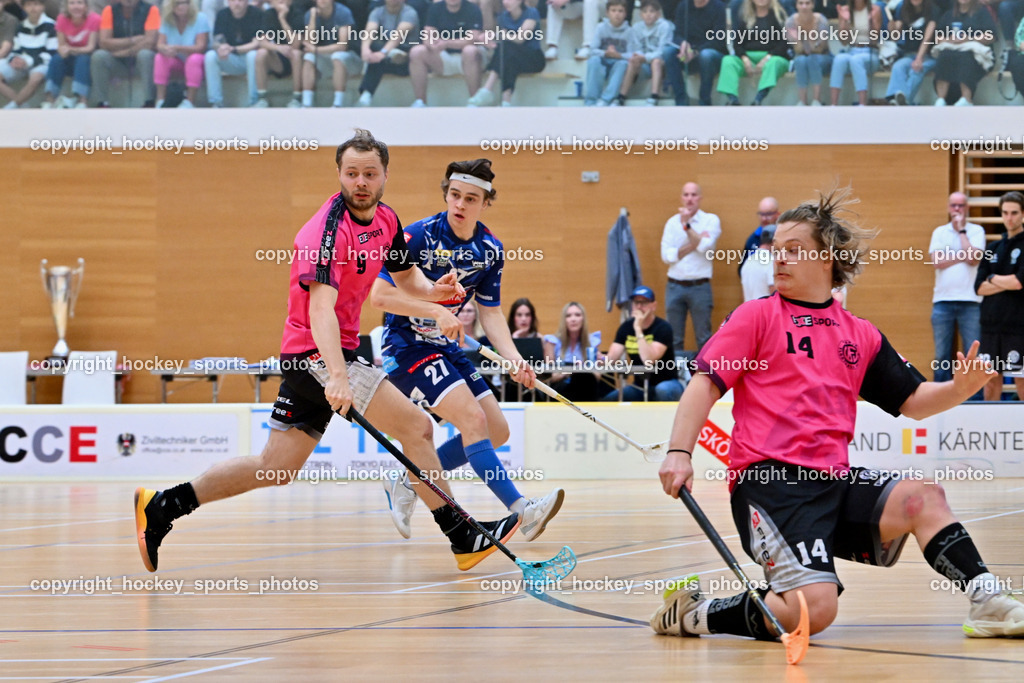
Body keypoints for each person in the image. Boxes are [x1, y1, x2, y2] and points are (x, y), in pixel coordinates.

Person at [134, 131, 520, 575]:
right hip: (317, 353)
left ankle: (163, 506)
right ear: (339, 174)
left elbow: (405, 277)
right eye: (351, 173)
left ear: (384, 177)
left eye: (369, 174)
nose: (360, 182)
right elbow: (321, 309)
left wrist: (435, 292)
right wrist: (337, 374)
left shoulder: (387, 221)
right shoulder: (323, 232)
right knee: (417, 428)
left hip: (326, 357)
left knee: (274, 467)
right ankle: (461, 534)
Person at [651, 188, 1024, 643]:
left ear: (826, 258)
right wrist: (678, 452)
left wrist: (958, 389)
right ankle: (695, 613)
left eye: (794, 250)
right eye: (776, 250)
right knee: (815, 611)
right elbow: (703, 385)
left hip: (835, 480)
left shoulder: (859, 334)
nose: (779, 260)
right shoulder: (756, 317)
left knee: (923, 497)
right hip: (770, 487)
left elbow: (914, 401)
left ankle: (988, 600)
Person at [370, 158, 565, 543]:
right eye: (455, 195)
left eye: (471, 198)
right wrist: (431, 310)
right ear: (447, 194)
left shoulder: (490, 249)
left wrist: (514, 359)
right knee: (474, 422)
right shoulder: (418, 235)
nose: (460, 204)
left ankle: (409, 480)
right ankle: (522, 510)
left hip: (446, 345)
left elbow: (491, 312)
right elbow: (379, 296)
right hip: (406, 346)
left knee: (497, 430)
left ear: (485, 202)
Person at [929, 192, 985, 383]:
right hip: (942, 301)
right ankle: (939, 396)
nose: (957, 209)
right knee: (941, 355)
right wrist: (963, 255)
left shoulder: (976, 231)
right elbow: (936, 261)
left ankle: (974, 400)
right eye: (954, 205)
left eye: (961, 205)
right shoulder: (940, 232)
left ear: (967, 208)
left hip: (971, 301)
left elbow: (973, 258)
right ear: (948, 207)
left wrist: (962, 232)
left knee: (973, 354)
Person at [660, 181, 721, 353]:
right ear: (681, 198)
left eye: (693, 195)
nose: (689, 199)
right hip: (674, 286)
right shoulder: (671, 223)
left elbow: (706, 249)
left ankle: (705, 378)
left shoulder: (710, 220)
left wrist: (687, 227)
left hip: (700, 286)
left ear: (700, 198)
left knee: (704, 338)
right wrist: (696, 240)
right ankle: (677, 378)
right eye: (686, 195)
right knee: (673, 338)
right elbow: (667, 256)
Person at [975, 191, 1024, 401]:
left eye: (1014, 213)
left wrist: (992, 277)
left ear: (1022, 214)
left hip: (1017, 326)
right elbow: (978, 287)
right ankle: (990, 429)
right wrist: (1004, 282)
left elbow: (1018, 282)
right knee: (990, 380)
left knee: (1021, 379)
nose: (1009, 218)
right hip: (990, 326)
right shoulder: (993, 247)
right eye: (1005, 213)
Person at [602, 285, 684, 401]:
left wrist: (638, 329)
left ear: (653, 306)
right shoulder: (625, 328)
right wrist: (599, 358)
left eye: (644, 303)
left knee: (663, 390)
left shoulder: (663, 328)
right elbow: (611, 359)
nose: (639, 307)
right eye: (636, 303)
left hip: (667, 383)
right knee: (609, 400)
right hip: (639, 386)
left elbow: (648, 360)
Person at [466, 0, 544, 106]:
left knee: (507, 47)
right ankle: (506, 100)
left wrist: (501, 34)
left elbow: (520, 39)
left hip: (533, 58)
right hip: (513, 58)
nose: (506, 2)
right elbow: (502, 38)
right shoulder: (503, 17)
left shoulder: (531, 12)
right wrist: (489, 38)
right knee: (507, 54)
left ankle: (487, 89)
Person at [407, 0, 484, 107]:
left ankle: (475, 101)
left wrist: (447, 43)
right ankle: (420, 102)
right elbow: (427, 35)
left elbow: (473, 39)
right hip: (442, 57)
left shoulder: (473, 9)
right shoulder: (435, 8)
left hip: (467, 58)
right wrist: (431, 44)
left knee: (470, 50)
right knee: (416, 52)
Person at [717, 0, 789, 106]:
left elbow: (785, 42)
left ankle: (759, 99)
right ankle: (733, 99)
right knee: (728, 61)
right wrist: (744, 58)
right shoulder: (745, 16)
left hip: (773, 56)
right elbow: (737, 43)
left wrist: (768, 57)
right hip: (749, 57)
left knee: (774, 63)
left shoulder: (779, 15)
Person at [91, 0, 159, 107]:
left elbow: (149, 41)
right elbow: (104, 42)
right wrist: (133, 40)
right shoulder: (109, 10)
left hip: (138, 62)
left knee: (145, 54)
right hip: (117, 62)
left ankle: (149, 101)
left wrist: (122, 52)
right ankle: (103, 102)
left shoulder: (151, 10)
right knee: (99, 56)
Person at [932, 0, 997, 106]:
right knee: (944, 56)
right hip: (952, 49)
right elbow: (938, 37)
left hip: (975, 51)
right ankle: (940, 99)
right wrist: (948, 39)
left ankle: (966, 99)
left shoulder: (982, 12)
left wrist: (969, 38)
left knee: (965, 56)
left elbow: (991, 36)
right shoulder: (949, 13)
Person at [662, 0, 726, 106]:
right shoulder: (684, 6)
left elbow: (719, 40)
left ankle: (704, 100)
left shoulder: (718, 6)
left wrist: (696, 51)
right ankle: (681, 99)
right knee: (668, 52)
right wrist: (683, 43)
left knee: (706, 55)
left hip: (712, 55)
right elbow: (677, 34)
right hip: (688, 53)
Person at [299, 0, 361, 107]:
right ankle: (306, 103)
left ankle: (338, 103)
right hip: (326, 58)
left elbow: (342, 46)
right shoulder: (310, 14)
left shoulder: (343, 12)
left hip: (351, 59)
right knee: (309, 57)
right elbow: (308, 44)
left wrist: (316, 50)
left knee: (337, 56)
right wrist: (313, 18)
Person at [356, 0, 418, 106]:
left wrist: (383, 52)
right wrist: (365, 49)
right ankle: (366, 96)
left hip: (406, 59)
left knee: (380, 53)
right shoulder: (377, 12)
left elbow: (399, 35)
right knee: (366, 45)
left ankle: (367, 93)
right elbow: (370, 31)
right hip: (384, 56)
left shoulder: (410, 12)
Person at [40, 0, 99, 109]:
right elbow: (61, 46)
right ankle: (49, 99)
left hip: (87, 56)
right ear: (67, 6)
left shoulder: (94, 19)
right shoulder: (61, 19)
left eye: (79, 3)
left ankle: (82, 100)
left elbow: (90, 47)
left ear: (86, 6)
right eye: (72, 3)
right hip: (70, 56)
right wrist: (64, 51)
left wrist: (70, 49)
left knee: (83, 59)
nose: (76, 6)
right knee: (56, 59)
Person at [204, 0, 261, 107]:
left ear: (247, 2)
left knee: (253, 56)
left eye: (240, 0)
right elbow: (217, 41)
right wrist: (221, 48)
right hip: (230, 58)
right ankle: (216, 102)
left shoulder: (256, 14)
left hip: (249, 59)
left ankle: (254, 101)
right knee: (210, 56)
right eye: (233, 0)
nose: (237, 3)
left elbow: (257, 43)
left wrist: (234, 49)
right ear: (228, 2)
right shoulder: (222, 14)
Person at [543, 301, 603, 401]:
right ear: (564, 320)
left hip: (586, 389)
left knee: (583, 378)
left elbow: (597, 376)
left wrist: (582, 369)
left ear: (583, 319)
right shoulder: (552, 342)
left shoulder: (592, 342)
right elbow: (551, 377)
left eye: (577, 315)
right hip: (560, 390)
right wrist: (571, 370)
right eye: (568, 316)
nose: (573, 319)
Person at [615, 0, 671, 106]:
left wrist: (645, 57)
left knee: (656, 61)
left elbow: (663, 50)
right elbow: (636, 48)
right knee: (632, 61)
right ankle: (621, 96)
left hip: (661, 63)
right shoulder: (636, 27)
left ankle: (654, 96)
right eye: (645, 12)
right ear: (641, 14)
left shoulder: (665, 26)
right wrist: (639, 57)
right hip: (644, 63)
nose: (648, 14)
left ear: (658, 14)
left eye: (652, 11)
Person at [0, 0, 54, 108]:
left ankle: (12, 106)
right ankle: (23, 106)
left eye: (36, 4)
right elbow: (16, 50)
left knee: (36, 77)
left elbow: (51, 53)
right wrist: (13, 59)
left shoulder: (51, 25)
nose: (33, 8)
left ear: (42, 7)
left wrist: (28, 61)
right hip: (21, 62)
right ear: (24, 8)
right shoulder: (20, 26)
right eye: (29, 5)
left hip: (42, 63)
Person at [154, 0, 208, 108]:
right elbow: (159, 44)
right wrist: (165, 49)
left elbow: (201, 47)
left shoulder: (200, 18)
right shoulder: (166, 20)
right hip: (176, 59)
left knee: (194, 59)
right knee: (159, 58)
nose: (182, 6)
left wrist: (178, 48)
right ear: (171, 6)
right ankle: (160, 100)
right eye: (177, 3)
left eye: (185, 3)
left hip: (196, 59)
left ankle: (190, 101)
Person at [253, 0, 306, 108]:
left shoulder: (298, 13)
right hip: (279, 59)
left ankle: (297, 98)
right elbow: (262, 41)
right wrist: (278, 47)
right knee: (261, 53)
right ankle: (262, 98)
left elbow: (295, 44)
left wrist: (282, 19)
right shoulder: (269, 14)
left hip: (298, 60)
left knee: (295, 53)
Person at [884, 0, 938, 105]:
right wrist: (892, 29)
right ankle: (895, 100)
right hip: (909, 54)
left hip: (929, 56)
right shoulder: (903, 9)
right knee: (898, 66)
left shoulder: (933, 9)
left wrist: (919, 58)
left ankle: (902, 102)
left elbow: (927, 38)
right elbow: (896, 37)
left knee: (916, 69)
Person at [829, 0, 881, 106]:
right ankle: (833, 104)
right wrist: (845, 22)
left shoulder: (875, 10)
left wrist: (870, 21)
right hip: (852, 49)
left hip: (870, 51)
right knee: (839, 59)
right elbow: (843, 42)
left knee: (856, 60)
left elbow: (875, 39)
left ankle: (862, 103)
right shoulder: (845, 10)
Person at [582, 0, 630, 106]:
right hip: (602, 61)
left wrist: (619, 55)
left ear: (625, 14)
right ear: (607, 13)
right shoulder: (600, 27)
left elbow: (634, 53)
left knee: (623, 64)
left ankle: (606, 100)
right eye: (613, 10)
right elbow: (592, 50)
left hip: (618, 63)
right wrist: (605, 53)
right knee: (593, 60)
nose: (617, 14)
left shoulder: (630, 31)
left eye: (620, 11)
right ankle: (591, 101)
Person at [786, 0, 831, 106]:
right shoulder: (791, 21)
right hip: (803, 56)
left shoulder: (821, 20)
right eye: (801, 3)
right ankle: (802, 101)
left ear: (813, 5)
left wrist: (802, 37)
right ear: (796, 6)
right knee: (800, 61)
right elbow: (797, 48)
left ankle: (817, 100)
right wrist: (809, 40)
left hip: (824, 57)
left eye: (807, 3)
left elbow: (820, 48)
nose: (804, 6)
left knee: (812, 59)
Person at [737, 196, 778, 276]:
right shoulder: (752, 239)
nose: (764, 219)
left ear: (777, 214)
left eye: (768, 214)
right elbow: (742, 269)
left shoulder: (785, 237)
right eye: (761, 214)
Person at [739, 228, 774, 301]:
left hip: (749, 310)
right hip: (766, 310)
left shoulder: (748, 261)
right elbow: (774, 293)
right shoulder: (771, 262)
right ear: (774, 242)